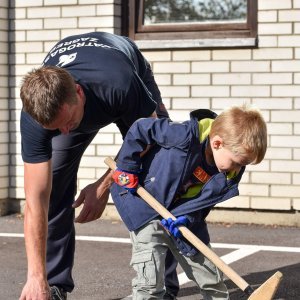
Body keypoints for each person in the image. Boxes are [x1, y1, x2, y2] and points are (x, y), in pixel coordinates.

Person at [19, 31, 179, 300]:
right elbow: (35, 203)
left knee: (158, 170)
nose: (65, 133)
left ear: (79, 93)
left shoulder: (120, 83)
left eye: (67, 123)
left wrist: (104, 186)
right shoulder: (36, 117)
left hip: (126, 72)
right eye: (55, 128)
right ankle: (53, 283)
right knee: (54, 185)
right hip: (79, 100)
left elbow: (148, 138)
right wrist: (34, 276)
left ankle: (162, 285)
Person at [111, 105, 267, 299]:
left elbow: (202, 204)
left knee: (208, 271)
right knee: (149, 280)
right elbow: (141, 128)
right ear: (217, 143)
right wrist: (127, 166)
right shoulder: (184, 135)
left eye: (243, 165)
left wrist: (188, 218)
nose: (237, 169)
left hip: (183, 216)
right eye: (237, 162)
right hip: (145, 205)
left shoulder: (229, 173)